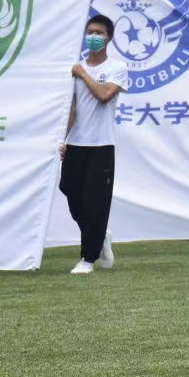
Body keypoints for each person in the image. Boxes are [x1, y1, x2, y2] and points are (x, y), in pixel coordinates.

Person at [61, 15, 127, 275]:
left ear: (109, 37)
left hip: (101, 145)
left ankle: (87, 258)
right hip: (77, 144)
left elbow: (104, 96)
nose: (93, 36)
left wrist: (83, 73)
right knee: (69, 190)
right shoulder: (76, 68)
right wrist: (62, 139)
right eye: (90, 32)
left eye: (99, 32)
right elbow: (73, 109)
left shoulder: (116, 67)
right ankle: (100, 236)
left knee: (95, 203)